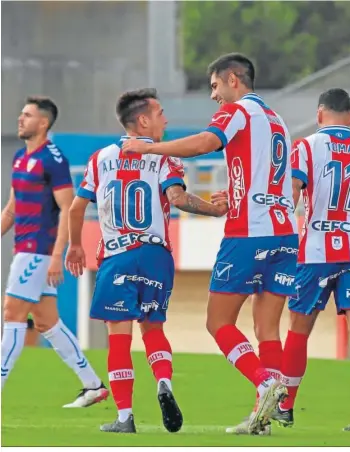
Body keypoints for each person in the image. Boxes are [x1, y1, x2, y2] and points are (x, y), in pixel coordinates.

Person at [121, 53, 298, 434]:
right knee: (268, 330)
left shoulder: (238, 111)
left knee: (217, 322)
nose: (214, 95)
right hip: (284, 232)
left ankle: (266, 383)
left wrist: (149, 148)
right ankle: (262, 419)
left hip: (248, 234)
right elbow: (271, 178)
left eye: (215, 86)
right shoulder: (277, 119)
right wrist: (237, 193)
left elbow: (205, 142)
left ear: (234, 79)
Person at [65, 88, 228, 434]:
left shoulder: (98, 159)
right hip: (155, 254)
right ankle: (164, 381)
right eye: (160, 113)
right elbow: (178, 197)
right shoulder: (165, 157)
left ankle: (125, 417)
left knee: (118, 337)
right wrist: (214, 210)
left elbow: (78, 207)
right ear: (142, 120)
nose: (165, 119)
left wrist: (75, 246)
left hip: (117, 254)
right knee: (154, 328)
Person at [273, 88, 350, 432]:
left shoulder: (306, 147)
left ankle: (287, 407)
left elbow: (292, 194)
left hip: (315, 253)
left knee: (298, 331)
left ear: (320, 113)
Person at [1, 96, 109, 408]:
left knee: (11, 314)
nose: (20, 119)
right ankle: (93, 385)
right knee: (47, 322)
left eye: (27, 115)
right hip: (27, 248)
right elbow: (11, 209)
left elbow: (66, 209)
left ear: (44, 123)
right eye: (21, 114)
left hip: (38, 250)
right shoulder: (20, 158)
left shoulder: (54, 160)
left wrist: (56, 256)